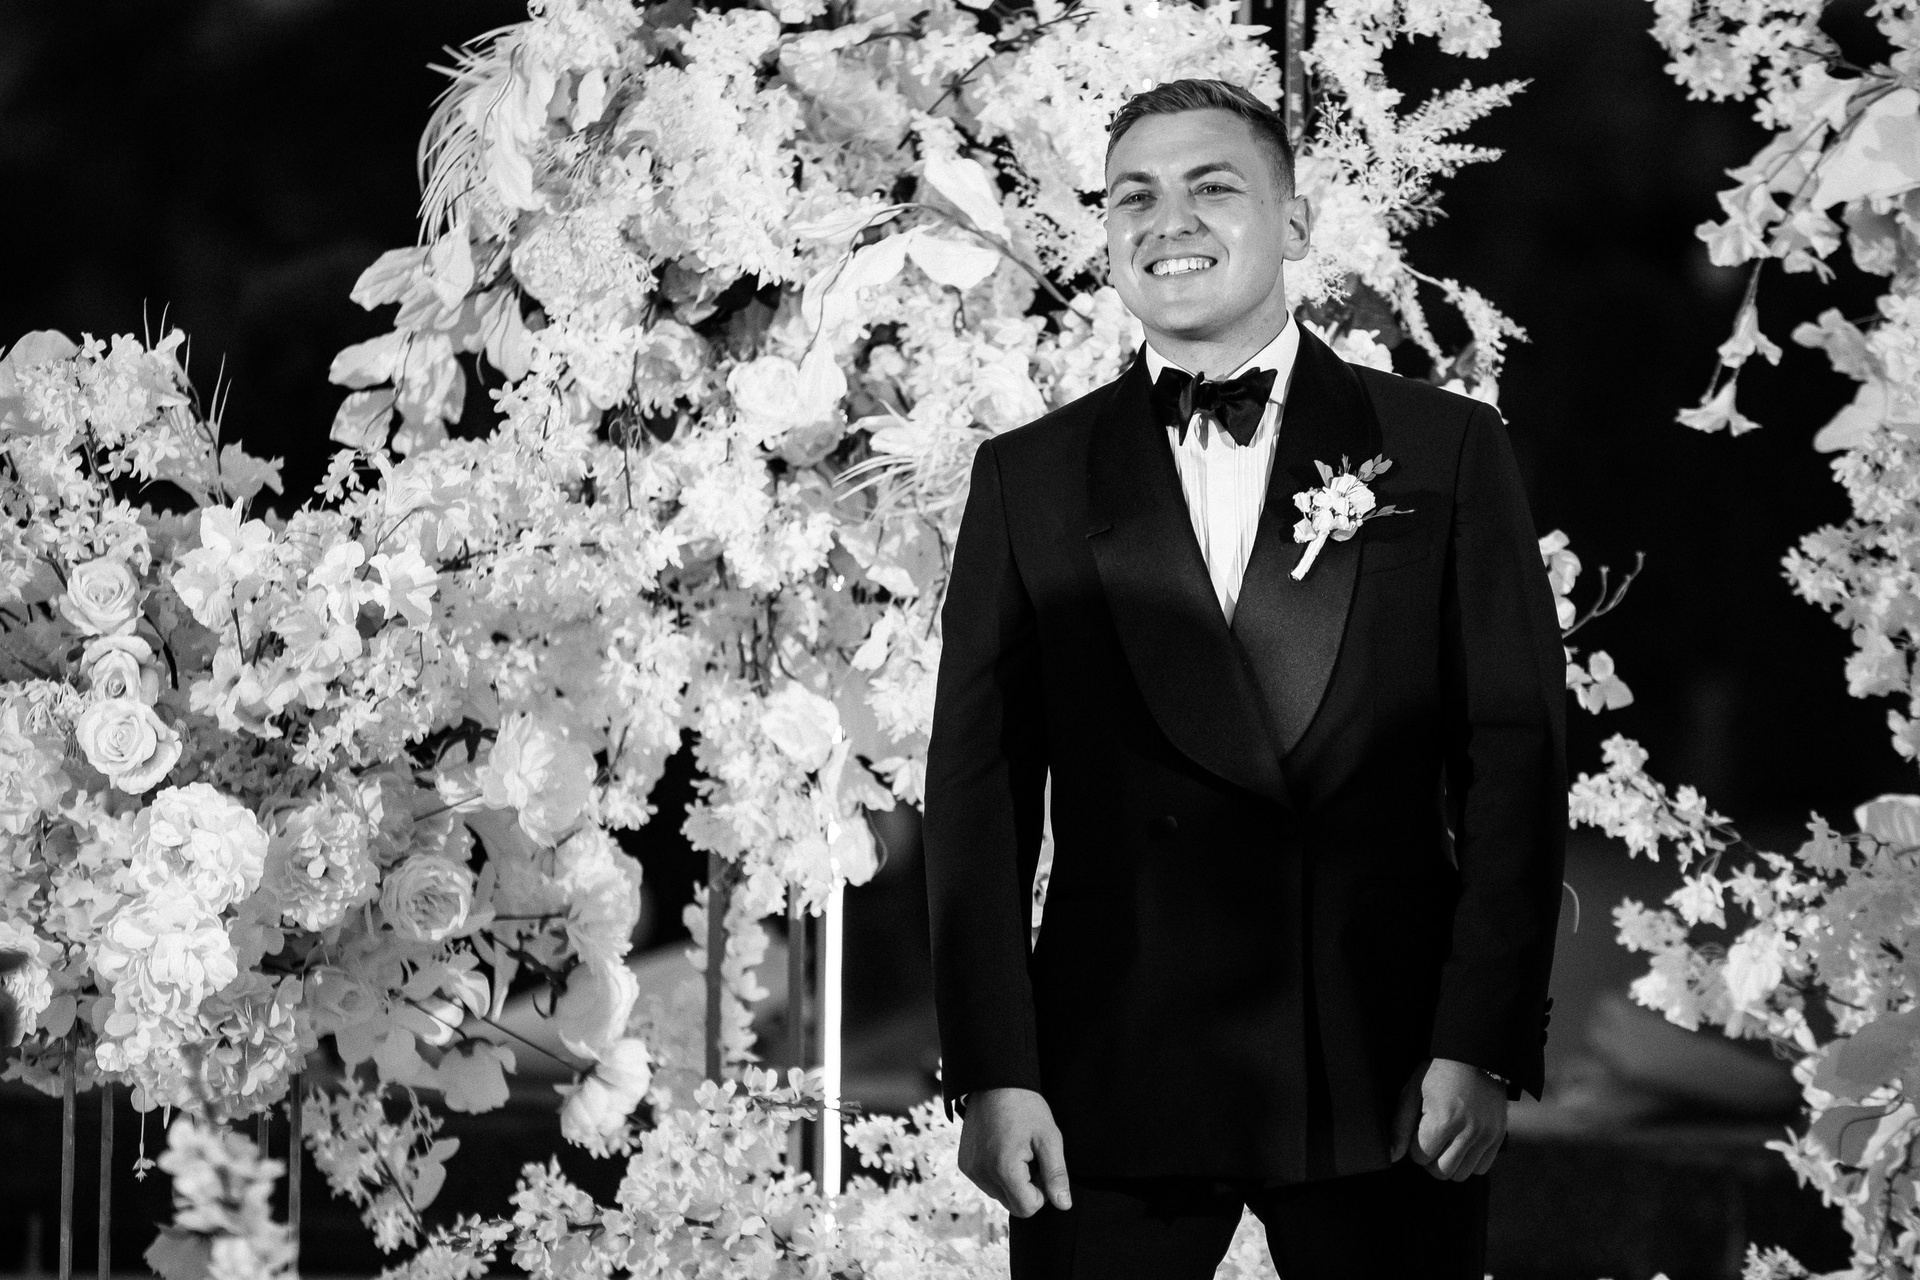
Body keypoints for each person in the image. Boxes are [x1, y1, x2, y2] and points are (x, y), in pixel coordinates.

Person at [922, 79, 1566, 1279]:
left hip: (1382, 1071)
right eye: (1134, 197)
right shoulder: (1028, 477)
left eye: (1212, 187)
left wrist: (1479, 1037)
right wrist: (997, 1067)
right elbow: (976, 795)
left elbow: (1514, 759)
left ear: (1297, 221)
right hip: (1108, 1072)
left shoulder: (1441, 449)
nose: (1168, 221)